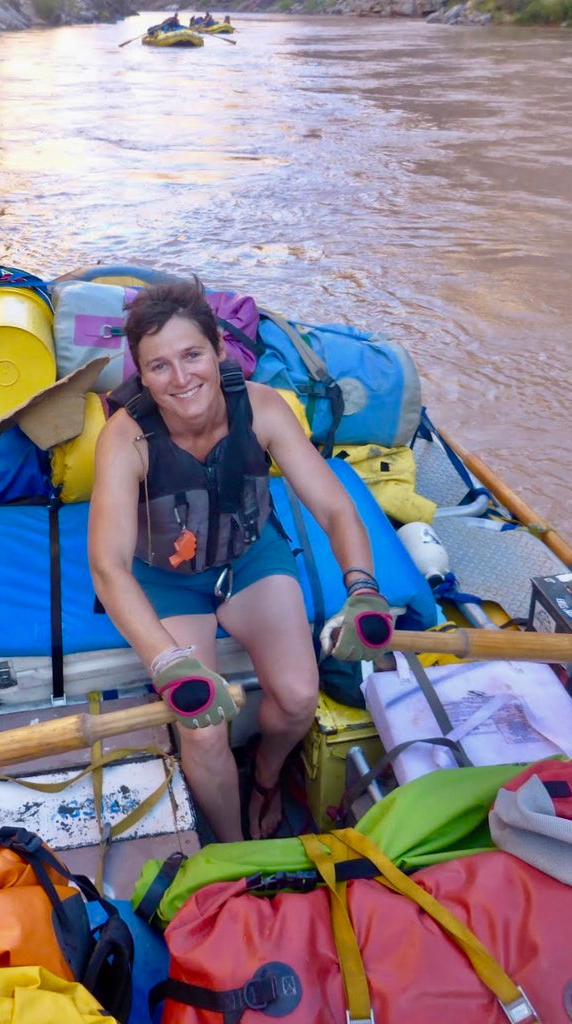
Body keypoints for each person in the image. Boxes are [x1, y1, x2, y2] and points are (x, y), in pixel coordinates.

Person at [88, 279, 393, 843]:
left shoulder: (262, 407)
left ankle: (267, 781)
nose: (181, 380)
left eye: (192, 355)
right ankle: (234, 844)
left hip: (250, 557)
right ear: (139, 372)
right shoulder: (124, 437)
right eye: (159, 367)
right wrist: (164, 662)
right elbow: (108, 566)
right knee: (202, 731)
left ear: (219, 351)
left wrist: (363, 588)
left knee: (300, 697)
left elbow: (334, 509)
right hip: (168, 579)